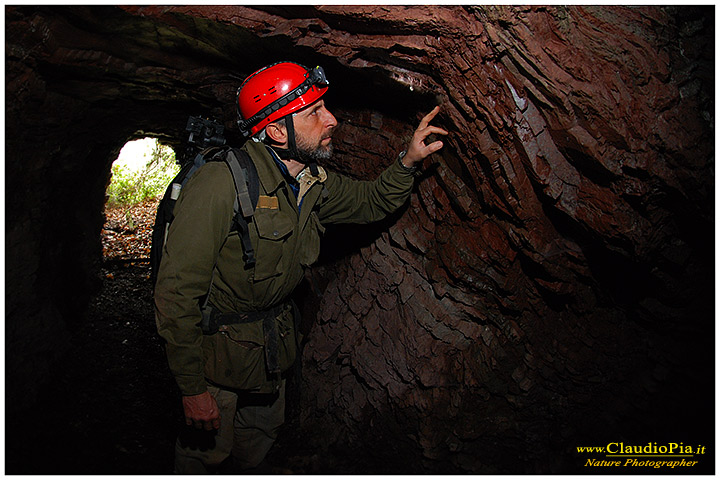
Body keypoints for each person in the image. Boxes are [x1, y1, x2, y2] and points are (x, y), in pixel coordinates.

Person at [154, 61, 447, 473]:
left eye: (325, 106)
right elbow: (176, 293)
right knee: (205, 458)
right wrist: (192, 389)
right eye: (314, 112)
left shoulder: (312, 182)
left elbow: (369, 202)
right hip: (216, 364)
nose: (332, 120)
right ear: (276, 131)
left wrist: (408, 160)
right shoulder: (220, 185)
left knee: (256, 450)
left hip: (272, 355)